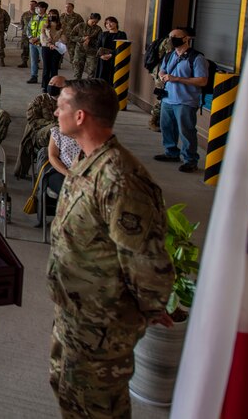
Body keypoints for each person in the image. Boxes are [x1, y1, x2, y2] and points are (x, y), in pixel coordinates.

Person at [48, 78, 173, 417]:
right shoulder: (88, 164)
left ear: (80, 117)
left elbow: (145, 259)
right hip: (75, 315)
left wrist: (145, 310)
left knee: (96, 408)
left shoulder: (119, 178)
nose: (56, 110)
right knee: (69, 395)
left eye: (62, 105)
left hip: (102, 327)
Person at [153, 26, 208, 173]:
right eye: (170, 37)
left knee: (186, 131)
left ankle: (190, 160)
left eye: (175, 37)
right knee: (166, 127)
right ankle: (171, 152)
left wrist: (177, 78)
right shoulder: (170, 55)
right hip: (168, 98)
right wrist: (162, 75)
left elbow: (202, 80)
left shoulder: (197, 58)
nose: (171, 40)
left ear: (186, 39)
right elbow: (163, 70)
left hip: (186, 100)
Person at [14, 75, 63, 180]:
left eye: (55, 84)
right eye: (50, 83)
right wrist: (52, 124)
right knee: (55, 129)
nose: (52, 86)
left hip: (62, 137)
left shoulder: (68, 102)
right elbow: (32, 120)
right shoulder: (40, 100)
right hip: (39, 135)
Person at [94, 16, 127, 85]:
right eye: (106, 23)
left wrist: (111, 55)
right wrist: (101, 56)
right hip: (103, 59)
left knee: (114, 79)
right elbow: (97, 46)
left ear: (116, 23)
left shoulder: (122, 34)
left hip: (116, 59)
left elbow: (123, 47)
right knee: (102, 79)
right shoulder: (103, 34)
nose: (109, 25)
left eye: (111, 22)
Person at [70, 13, 102, 80]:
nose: (94, 23)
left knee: (92, 70)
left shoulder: (98, 29)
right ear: (89, 18)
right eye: (93, 21)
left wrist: (89, 40)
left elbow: (99, 41)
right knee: (77, 70)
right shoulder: (80, 25)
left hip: (91, 52)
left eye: (96, 22)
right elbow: (72, 36)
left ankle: (89, 87)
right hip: (79, 50)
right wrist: (82, 39)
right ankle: (77, 86)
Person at [40, 8, 65, 92]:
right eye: (50, 14)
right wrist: (49, 44)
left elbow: (64, 37)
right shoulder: (45, 24)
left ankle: (55, 85)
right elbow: (42, 36)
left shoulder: (61, 25)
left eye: (54, 14)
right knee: (46, 67)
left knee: (54, 67)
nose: (51, 16)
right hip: (46, 47)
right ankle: (45, 86)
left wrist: (58, 42)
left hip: (56, 48)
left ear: (57, 16)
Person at [26, 1, 48, 84]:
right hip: (32, 43)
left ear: (44, 9)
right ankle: (33, 76)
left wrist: (38, 38)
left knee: (44, 61)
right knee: (33, 60)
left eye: (38, 7)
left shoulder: (47, 19)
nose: (37, 9)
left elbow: (47, 31)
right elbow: (28, 28)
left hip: (42, 43)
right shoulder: (34, 17)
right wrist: (30, 37)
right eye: (36, 8)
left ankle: (45, 78)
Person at [16, 0, 37, 70]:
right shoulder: (25, 14)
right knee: (25, 48)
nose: (31, 6)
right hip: (25, 34)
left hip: (35, 35)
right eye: (30, 4)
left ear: (36, 6)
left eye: (33, 4)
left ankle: (36, 63)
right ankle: (24, 62)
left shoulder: (37, 15)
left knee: (36, 49)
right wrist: (23, 29)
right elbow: (21, 22)